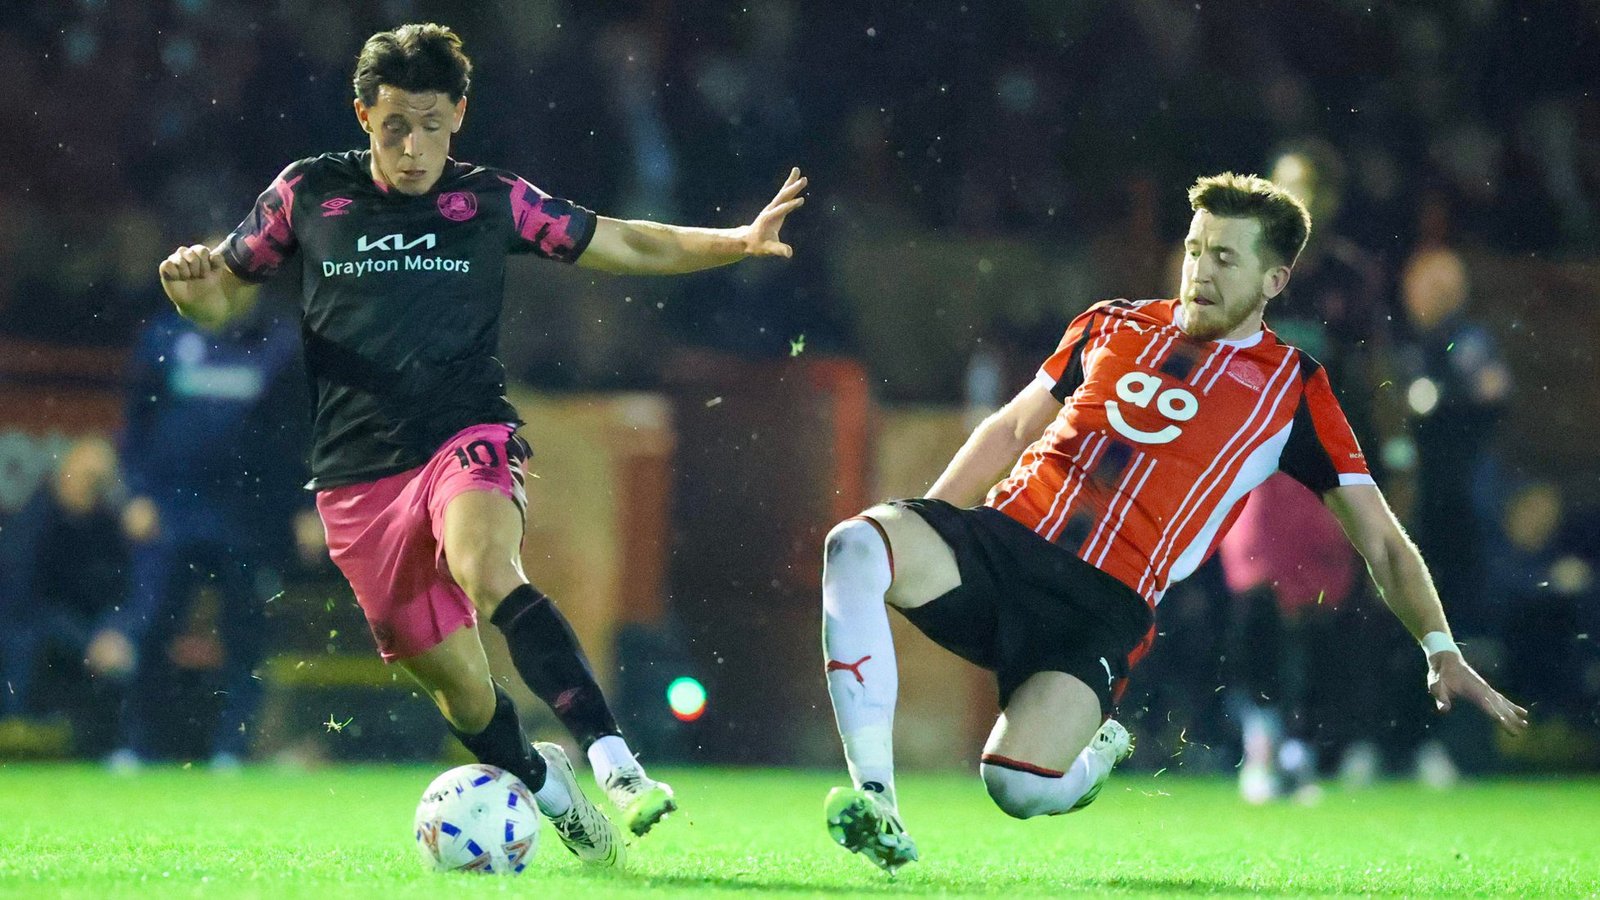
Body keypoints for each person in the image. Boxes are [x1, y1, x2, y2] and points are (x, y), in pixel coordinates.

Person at [156, 23, 805, 866]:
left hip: (464, 435)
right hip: (356, 477)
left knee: (487, 566)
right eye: (394, 125)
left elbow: (619, 238)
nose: (413, 145)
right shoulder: (305, 195)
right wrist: (192, 295)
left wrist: (736, 242)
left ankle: (617, 764)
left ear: (458, 114)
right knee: (461, 692)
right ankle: (545, 784)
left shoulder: (489, 200)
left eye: (431, 122)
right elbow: (221, 301)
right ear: (363, 115)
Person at [818, 173, 1528, 874]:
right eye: (1195, 249)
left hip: (1099, 608)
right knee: (854, 544)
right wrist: (934, 518)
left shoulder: (1295, 390)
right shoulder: (1110, 322)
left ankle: (1088, 762)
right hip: (1005, 544)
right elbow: (1008, 432)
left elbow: (1379, 538)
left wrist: (1440, 647)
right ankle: (876, 799)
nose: (1200, 271)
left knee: (1016, 786)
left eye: (1226, 258)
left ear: (1274, 281)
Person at [107, 299, 312, 771]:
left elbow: (296, 430)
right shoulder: (163, 336)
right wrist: (135, 492)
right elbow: (136, 422)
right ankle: (137, 746)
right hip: (171, 513)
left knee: (246, 636)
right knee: (152, 626)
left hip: (248, 517)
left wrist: (304, 506)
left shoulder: (279, 344)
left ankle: (231, 750)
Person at [0, 438, 132, 737]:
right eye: (87, 477)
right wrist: (87, 641)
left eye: (101, 481)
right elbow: (24, 601)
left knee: (125, 653)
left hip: (90, 631)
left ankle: (116, 749)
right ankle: (13, 734)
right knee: (21, 642)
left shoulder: (107, 526)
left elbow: (122, 592)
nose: (93, 487)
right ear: (64, 473)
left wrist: (113, 630)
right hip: (31, 626)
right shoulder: (30, 523)